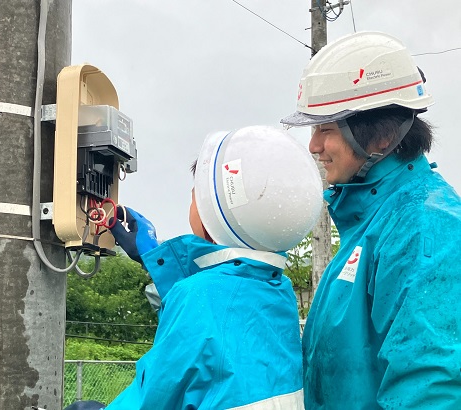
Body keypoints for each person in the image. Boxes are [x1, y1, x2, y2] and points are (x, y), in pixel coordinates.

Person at [280, 31, 461, 409]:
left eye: (325, 129)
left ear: (381, 138)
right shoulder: (373, 222)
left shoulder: (426, 225)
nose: (313, 146)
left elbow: (432, 389)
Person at [104, 125, 323, 409]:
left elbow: (154, 397)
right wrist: (155, 257)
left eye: (195, 194)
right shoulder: (276, 289)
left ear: (211, 215)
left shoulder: (197, 297)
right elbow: (220, 318)